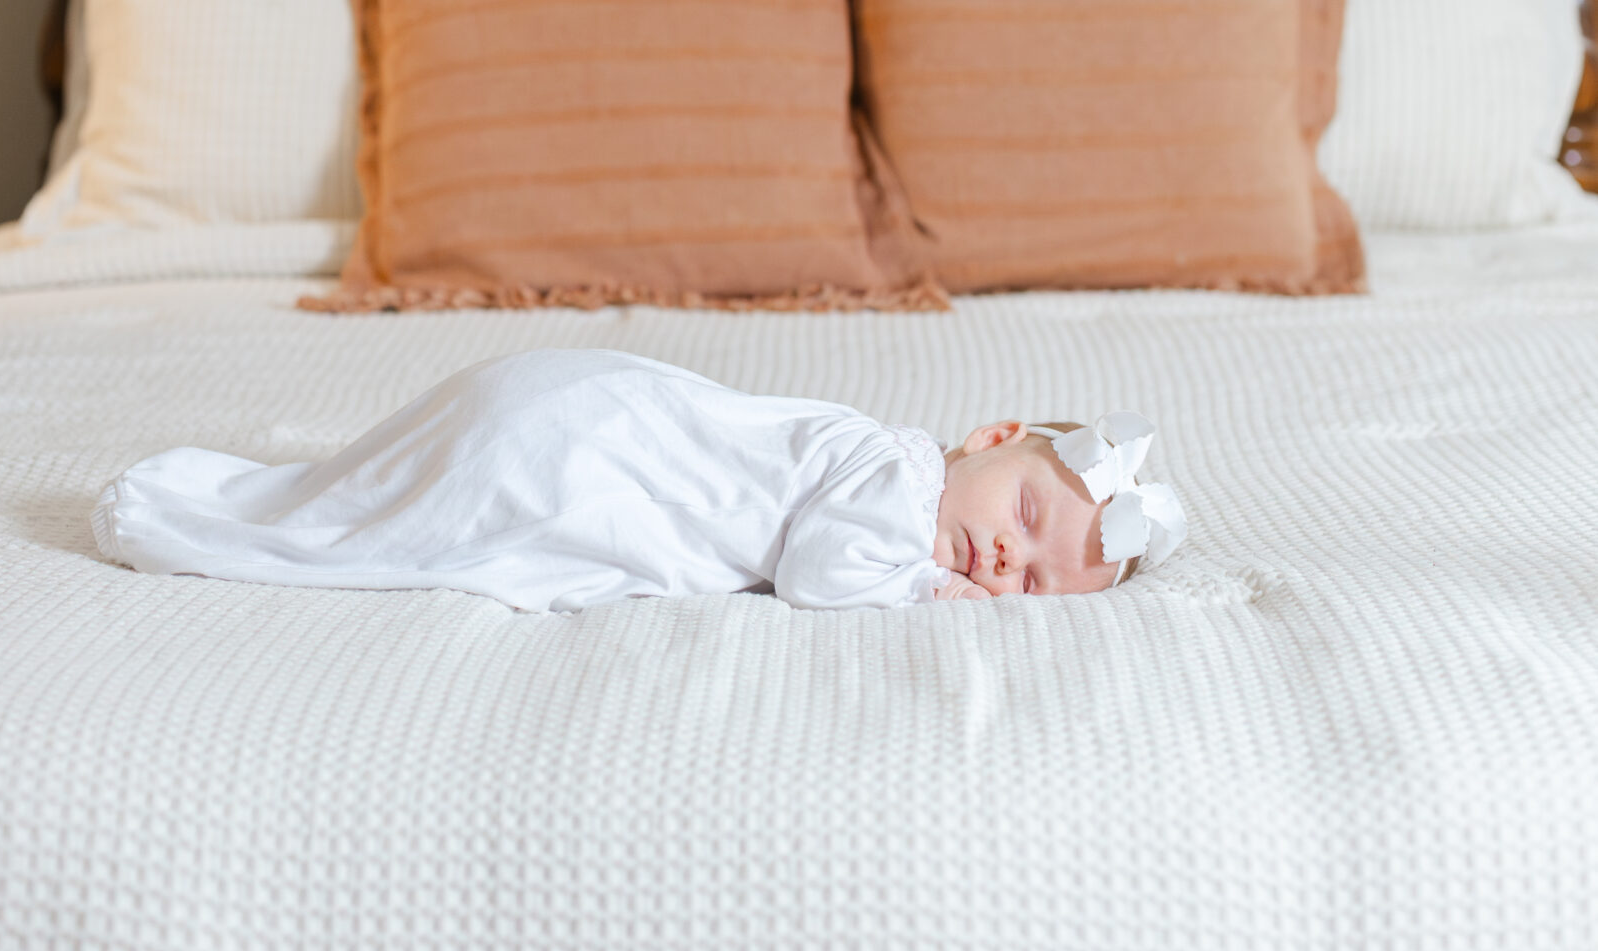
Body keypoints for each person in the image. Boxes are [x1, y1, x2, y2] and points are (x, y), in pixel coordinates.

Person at [92, 347, 1187, 613]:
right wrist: (923, 590)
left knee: (367, 504)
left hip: (567, 412)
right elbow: (819, 570)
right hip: (577, 445)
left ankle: (230, 499)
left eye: (1035, 582)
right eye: (1028, 514)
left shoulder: (888, 470)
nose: (1007, 557)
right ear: (987, 435)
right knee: (374, 534)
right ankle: (207, 517)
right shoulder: (893, 479)